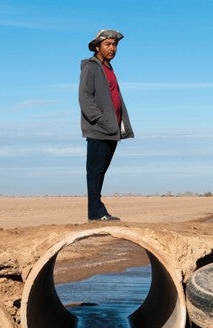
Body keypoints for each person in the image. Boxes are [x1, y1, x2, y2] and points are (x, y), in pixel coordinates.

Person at [78, 29, 134, 221]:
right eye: (108, 44)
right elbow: (85, 98)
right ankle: (95, 212)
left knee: (100, 172)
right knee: (94, 172)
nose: (112, 48)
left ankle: (98, 210)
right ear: (97, 47)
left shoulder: (108, 68)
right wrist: (101, 119)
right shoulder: (90, 67)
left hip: (112, 130)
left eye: (114, 44)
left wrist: (117, 125)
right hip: (98, 129)